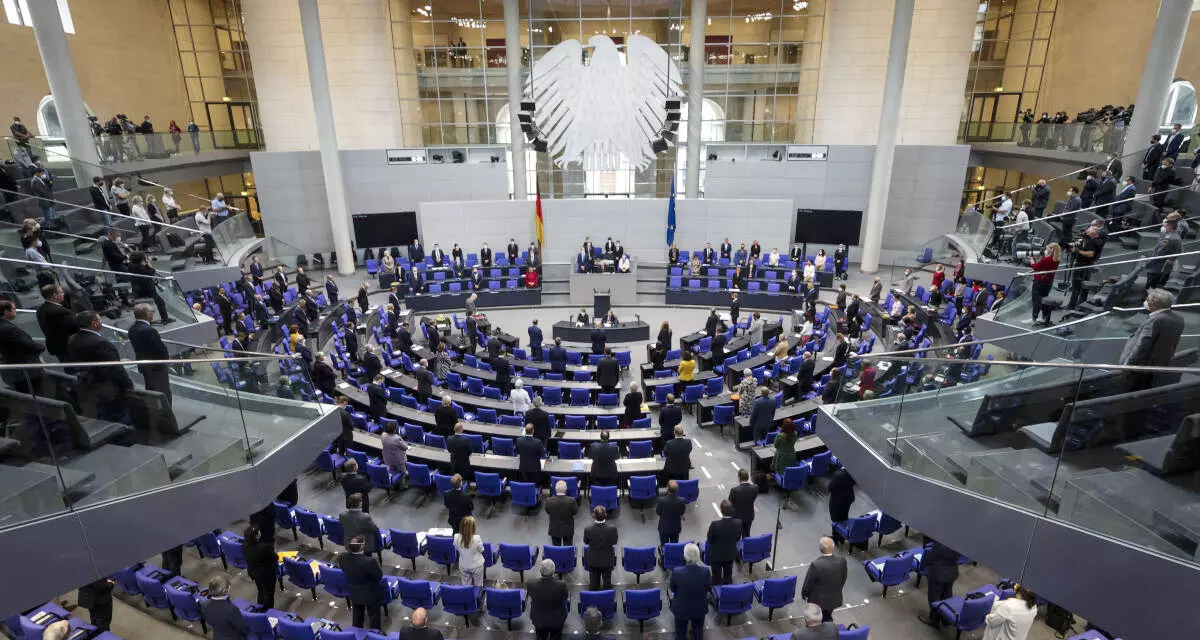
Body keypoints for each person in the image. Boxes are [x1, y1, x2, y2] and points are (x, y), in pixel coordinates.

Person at [1121, 289, 1184, 388]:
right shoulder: (1178, 318)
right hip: (1160, 365)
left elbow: (1142, 346)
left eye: (1148, 299)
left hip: (1140, 370)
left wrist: (1127, 364)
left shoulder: (1155, 320)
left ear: (1153, 304)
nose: (1147, 302)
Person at [341, 535, 386, 630]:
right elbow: (378, 576)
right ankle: (375, 635)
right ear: (361, 546)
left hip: (354, 593)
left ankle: (356, 634)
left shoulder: (343, 558)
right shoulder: (370, 561)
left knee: (357, 618)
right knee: (374, 619)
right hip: (370, 595)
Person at [129, 303, 171, 403]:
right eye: (152, 312)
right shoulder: (150, 330)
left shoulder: (132, 329)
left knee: (151, 390)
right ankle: (166, 415)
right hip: (156, 367)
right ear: (147, 314)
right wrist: (167, 360)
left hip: (144, 366)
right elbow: (160, 350)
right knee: (163, 392)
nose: (153, 314)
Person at [670, 543, 712, 640]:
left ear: (684, 556)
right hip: (699, 608)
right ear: (698, 556)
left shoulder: (677, 572)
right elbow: (708, 588)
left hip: (681, 609)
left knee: (680, 634)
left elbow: (673, 589)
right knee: (698, 633)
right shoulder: (706, 572)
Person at [917, 539, 961, 628]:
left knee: (934, 598)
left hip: (938, 574)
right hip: (952, 572)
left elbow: (930, 558)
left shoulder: (941, 542)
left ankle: (934, 620)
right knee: (947, 595)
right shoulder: (959, 542)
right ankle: (946, 619)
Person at [802, 536, 848, 622]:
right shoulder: (842, 561)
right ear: (833, 547)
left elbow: (808, 583)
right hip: (835, 598)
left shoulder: (816, 565)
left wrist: (804, 594)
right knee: (827, 616)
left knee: (817, 619)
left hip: (818, 602)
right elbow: (843, 578)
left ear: (820, 548)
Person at [528, 559, 569, 640]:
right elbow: (565, 597)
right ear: (553, 571)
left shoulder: (531, 584)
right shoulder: (561, 585)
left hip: (538, 619)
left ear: (540, 571)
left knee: (540, 637)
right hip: (557, 619)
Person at [243, 523, 279, 609]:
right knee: (269, 593)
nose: (260, 533)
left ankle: (260, 605)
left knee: (260, 590)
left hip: (254, 572)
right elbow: (275, 558)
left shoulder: (245, 546)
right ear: (256, 536)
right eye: (258, 532)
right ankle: (267, 611)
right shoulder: (264, 547)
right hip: (266, 575)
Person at [706, 500, 741, 585]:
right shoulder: (738, 523)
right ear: (731, 510)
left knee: (716, 579)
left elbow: (709, 539)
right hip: (730, 554)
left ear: (721, 511)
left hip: (716, 556)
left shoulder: (715, 524)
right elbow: (737, 538)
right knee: (728, 578)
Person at [1067, 226, 1104, 309]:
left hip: (1082, 265)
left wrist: (1078, 251)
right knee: (1083, 287)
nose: (1087, 231)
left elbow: (1090, 254)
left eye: (1089, 230)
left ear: (1094, 232)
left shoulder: (1093, 242)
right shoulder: (1098, 240)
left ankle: (1072, 306)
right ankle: (1081, 304)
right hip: (1087, 265)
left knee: (1077, 286)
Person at [584, 505, 618, 590]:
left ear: (594, 515)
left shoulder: (588, 529)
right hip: (607, 560)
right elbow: (614, 542)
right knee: (607, 585)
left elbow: (586, 542)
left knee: (594, 586)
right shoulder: (612, 529)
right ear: (605, 515)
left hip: (593, 561)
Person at [1029, 243, 1060, 325]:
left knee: (1036, 300)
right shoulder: (1056, 259)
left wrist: (1032, 261)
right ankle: (1044, 317)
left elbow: (1036, 267)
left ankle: (1034, 319)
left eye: (1047, 248)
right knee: (1044, 299)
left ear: (1051, 249)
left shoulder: (1046, 259)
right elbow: (1043, 267)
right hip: (1048, 282)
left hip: (1039, 282)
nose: (1046, 250)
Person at [1146, 219, 1182, 288]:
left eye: (1165, 226)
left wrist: (1149, 262)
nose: (1164, 228)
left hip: (1158, 265)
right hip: (1161, 265)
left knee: (1151, 284)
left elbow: (1160, 252)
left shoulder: (1170, 239)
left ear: (1170, 226)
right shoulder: (1175, 236)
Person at [454, 515, 486, 585]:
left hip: (463, 565)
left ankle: (467, 594)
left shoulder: (456, 537)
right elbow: (482, 550)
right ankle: (478, 595)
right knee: (478, 584)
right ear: (473, 528)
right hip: (477, 566)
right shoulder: (477, 538)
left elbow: (456, 548)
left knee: (465, 584)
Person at [545, 480, 578, 546]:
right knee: (568, 549)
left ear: (555, 489)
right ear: (566, 489)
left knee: (556, 550)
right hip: (568, 530)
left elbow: (547, 511)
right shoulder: (572, 500)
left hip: (554, 529)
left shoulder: (549, 501)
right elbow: (575, 512)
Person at [729, 468, 758, 537]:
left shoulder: (734, 490)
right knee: (747, 535)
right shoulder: (755, 488)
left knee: (736, 536)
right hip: (749, 516)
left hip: (737, 518)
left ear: (739, 478)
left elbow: (730, 504)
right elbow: (753, 498)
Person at [827, 469, 856, 540]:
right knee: (844, 516)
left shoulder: (837, 474)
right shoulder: (853, 473)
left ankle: (836, 537)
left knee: (835, 518)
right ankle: (842, 535)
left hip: (837, 500)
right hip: (848, 498)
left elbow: (830, 488)